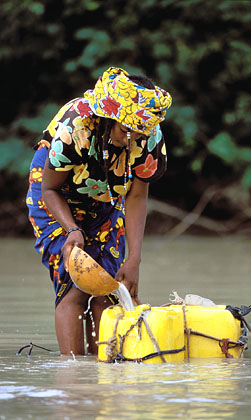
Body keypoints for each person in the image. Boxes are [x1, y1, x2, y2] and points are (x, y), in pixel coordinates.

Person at [26, 67, 172, 356]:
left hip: (104, 199)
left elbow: (137, 195)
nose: (131, 139)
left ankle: (101, 377)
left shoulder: (147, 134)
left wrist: (134, 258)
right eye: (124, 130)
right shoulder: (75, 127)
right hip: (55, 199)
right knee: (75, 289)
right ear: (108, 118)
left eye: (138, 133)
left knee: (109, 289)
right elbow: (50, 189)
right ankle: (73, 377)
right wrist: (72, 229)